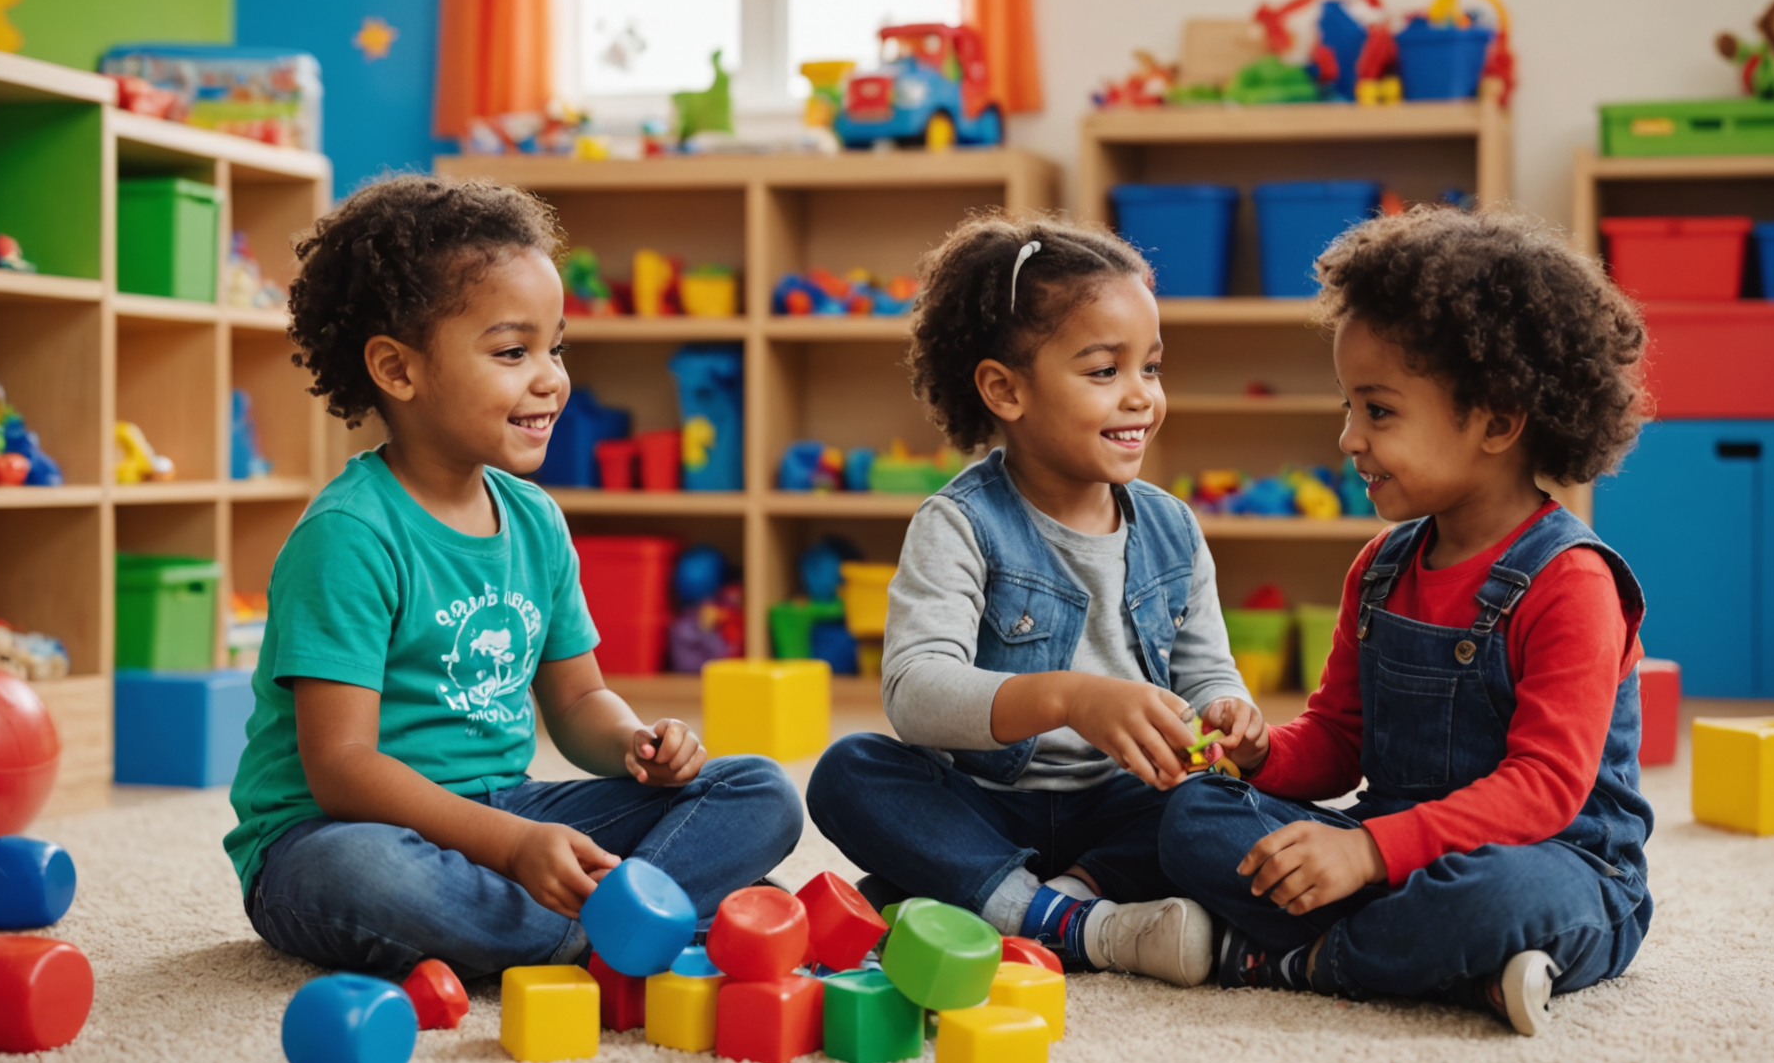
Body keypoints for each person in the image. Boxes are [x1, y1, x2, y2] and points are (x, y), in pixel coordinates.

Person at [222, 175, 801, 979]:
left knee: (759, 791)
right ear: (396, 369)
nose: (551, 377)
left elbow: (578, 702)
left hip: (506, 807)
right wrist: (513, 846)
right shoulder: (349, 534)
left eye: (554, 347)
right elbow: (342, 769)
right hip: (334, 833)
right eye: (511, 352)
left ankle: (606, 918)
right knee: (363, 872)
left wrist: (636, 744)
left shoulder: (535, 519)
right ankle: (645, 917)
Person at [1161, 205, 1654, 1034]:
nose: (1348, 437)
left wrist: (1366, 853)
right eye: (1348, 406)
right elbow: (1339, 737)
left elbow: (1544, 790)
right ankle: (1440, 968)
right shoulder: (1381, 569)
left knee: (1496, 899)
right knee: (1193, 816)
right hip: (1391, 854)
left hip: (1558, 861)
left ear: (1497, 419)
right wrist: (1261, 754)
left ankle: (1302, 961)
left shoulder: (1572, 582)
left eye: (1379, 411)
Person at [807, 211, 1254, 987]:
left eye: (1151, 368)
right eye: (1105, 371)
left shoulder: (1174, 528)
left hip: (1122, 806)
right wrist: (1070, 698)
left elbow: (1206, 668)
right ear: (1005, 390)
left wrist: (1227, 711)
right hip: (985, 800)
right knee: (849, 772)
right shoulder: (959, 523)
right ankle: (1073, 925)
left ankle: (1029, 901)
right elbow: (916, 692)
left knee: (1222, 804)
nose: (1142, 397)